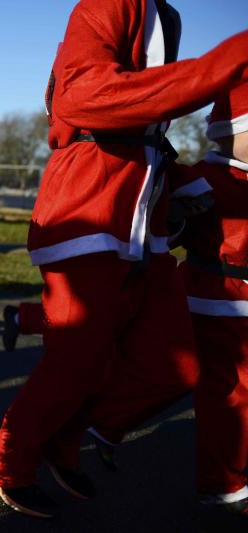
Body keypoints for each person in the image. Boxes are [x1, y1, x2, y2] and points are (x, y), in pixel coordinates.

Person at [0, 0, 248, 518]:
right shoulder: (106, 4)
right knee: (75, 360)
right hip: (89, 205)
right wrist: (230, 59)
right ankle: (2, 463)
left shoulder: (165, 15)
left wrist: (176, 192)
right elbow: (81, 98)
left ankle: (66, 440)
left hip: (144, 216)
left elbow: (149, 119)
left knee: (176, 365)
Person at [177, 83, 248, 519]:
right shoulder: (201, 176)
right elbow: (171, 233)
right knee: (228, 393)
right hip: (215, 301)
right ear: (228, 131)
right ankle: (222, 484)